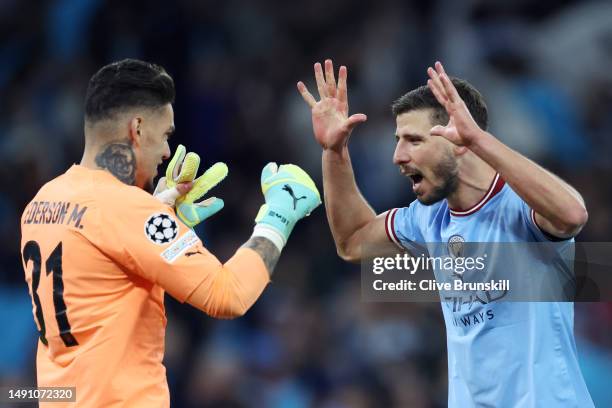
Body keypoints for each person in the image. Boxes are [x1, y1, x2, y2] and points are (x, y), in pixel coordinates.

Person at [20, 58, 321, 407]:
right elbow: (228, 294)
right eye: (165, 135)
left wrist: (159, 221)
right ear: (137, 128)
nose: (166, 151)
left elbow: (98, 283)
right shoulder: (128, 210)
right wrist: (277, 217)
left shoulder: (41, 203)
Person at [297, 59, 594, 407]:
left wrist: (480, 140)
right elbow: (353, 241)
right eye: (398, 140)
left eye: (413, 140)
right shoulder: (428, 218)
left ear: (458, 138)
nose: (397, 155)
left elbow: (572, 215)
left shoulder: (520, 204)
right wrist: (334, 152)